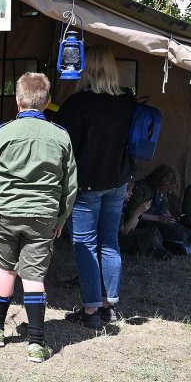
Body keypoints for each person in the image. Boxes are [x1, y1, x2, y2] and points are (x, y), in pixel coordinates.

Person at [0, 72, 77, 363]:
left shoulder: (2, 133)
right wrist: (61, 219)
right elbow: (70, 185)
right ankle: (36, 344)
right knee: (34, 276)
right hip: (43, 215)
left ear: (18, 100)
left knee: (5, 269)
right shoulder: (61, 136)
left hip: (4, 212)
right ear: (46, 103)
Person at [55, 45, 137, 328]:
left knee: (85, 245)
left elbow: (63, 146)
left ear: (86, 69)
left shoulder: (77, 104)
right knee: (109, 242)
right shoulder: (128, 101)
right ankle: (109, 306)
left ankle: (90, 310)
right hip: (117, 181)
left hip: (87, 185)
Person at [119, 179, 167, 258]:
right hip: (117, 240)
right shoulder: (115, 207)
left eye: (131, 190)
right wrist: (138, 211)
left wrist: (139, 211)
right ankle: (156, 253)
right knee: (150, 239)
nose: (131, 193)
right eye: (128, 191)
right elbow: (124, 232)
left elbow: (132, 228)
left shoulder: (124, 204)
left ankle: (160, 250)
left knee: (154, 230)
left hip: (127, 234)